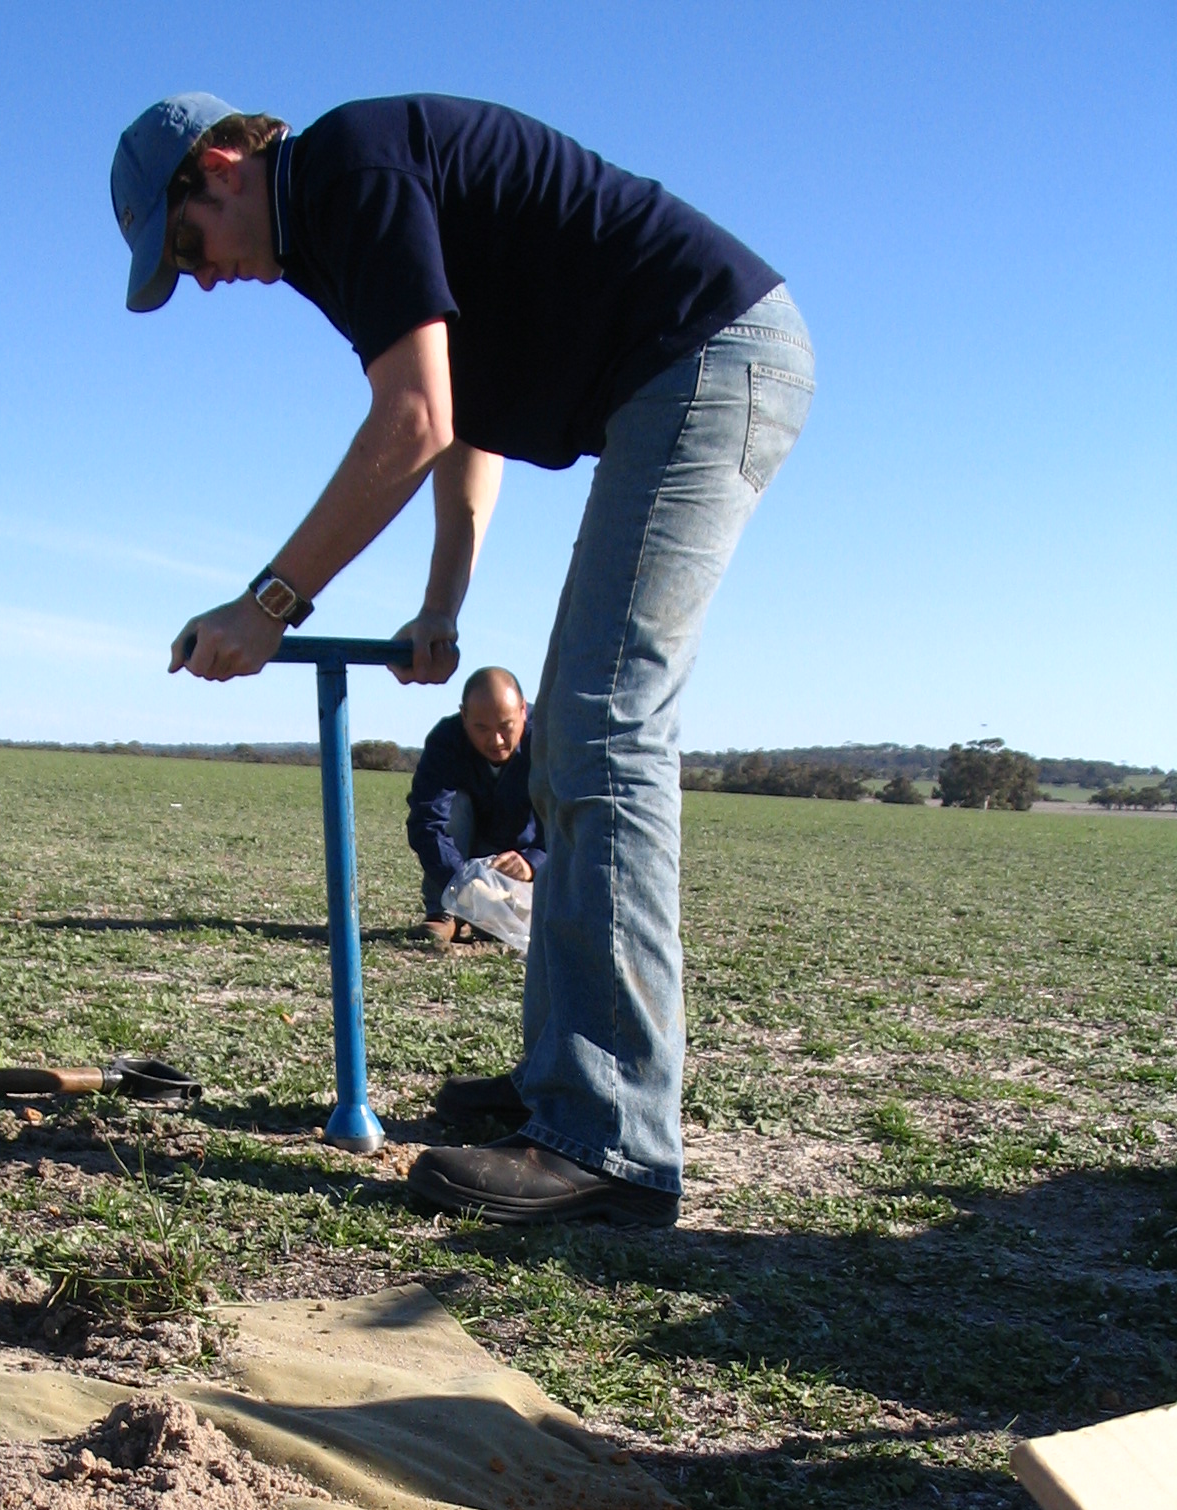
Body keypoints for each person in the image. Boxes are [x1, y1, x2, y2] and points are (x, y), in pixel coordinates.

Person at [113, 91, 813, 1226]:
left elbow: (414, 418)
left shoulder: (348, 168)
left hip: (704, 355)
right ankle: (565, 1087)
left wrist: (271, 602)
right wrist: (442, 603)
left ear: (224, 161)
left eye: (184, 242)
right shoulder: (331, 241)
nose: (197, 275)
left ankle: (613, 1142)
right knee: (575, 743)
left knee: (601, 728)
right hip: (677, 369)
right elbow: (468, 417)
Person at [407, 665, 544, 947]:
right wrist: (462, 884)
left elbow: (569, 817)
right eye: (481, 728)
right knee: (453, 804)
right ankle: (445, 911)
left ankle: (499, 917)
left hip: (523, 863)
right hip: (462, 862)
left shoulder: (550, 739)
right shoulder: (445, 741)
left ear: (523, 711)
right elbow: (426, 821)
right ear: (464, 715)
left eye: (506, 727)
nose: (496, 740)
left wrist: (533, 861)